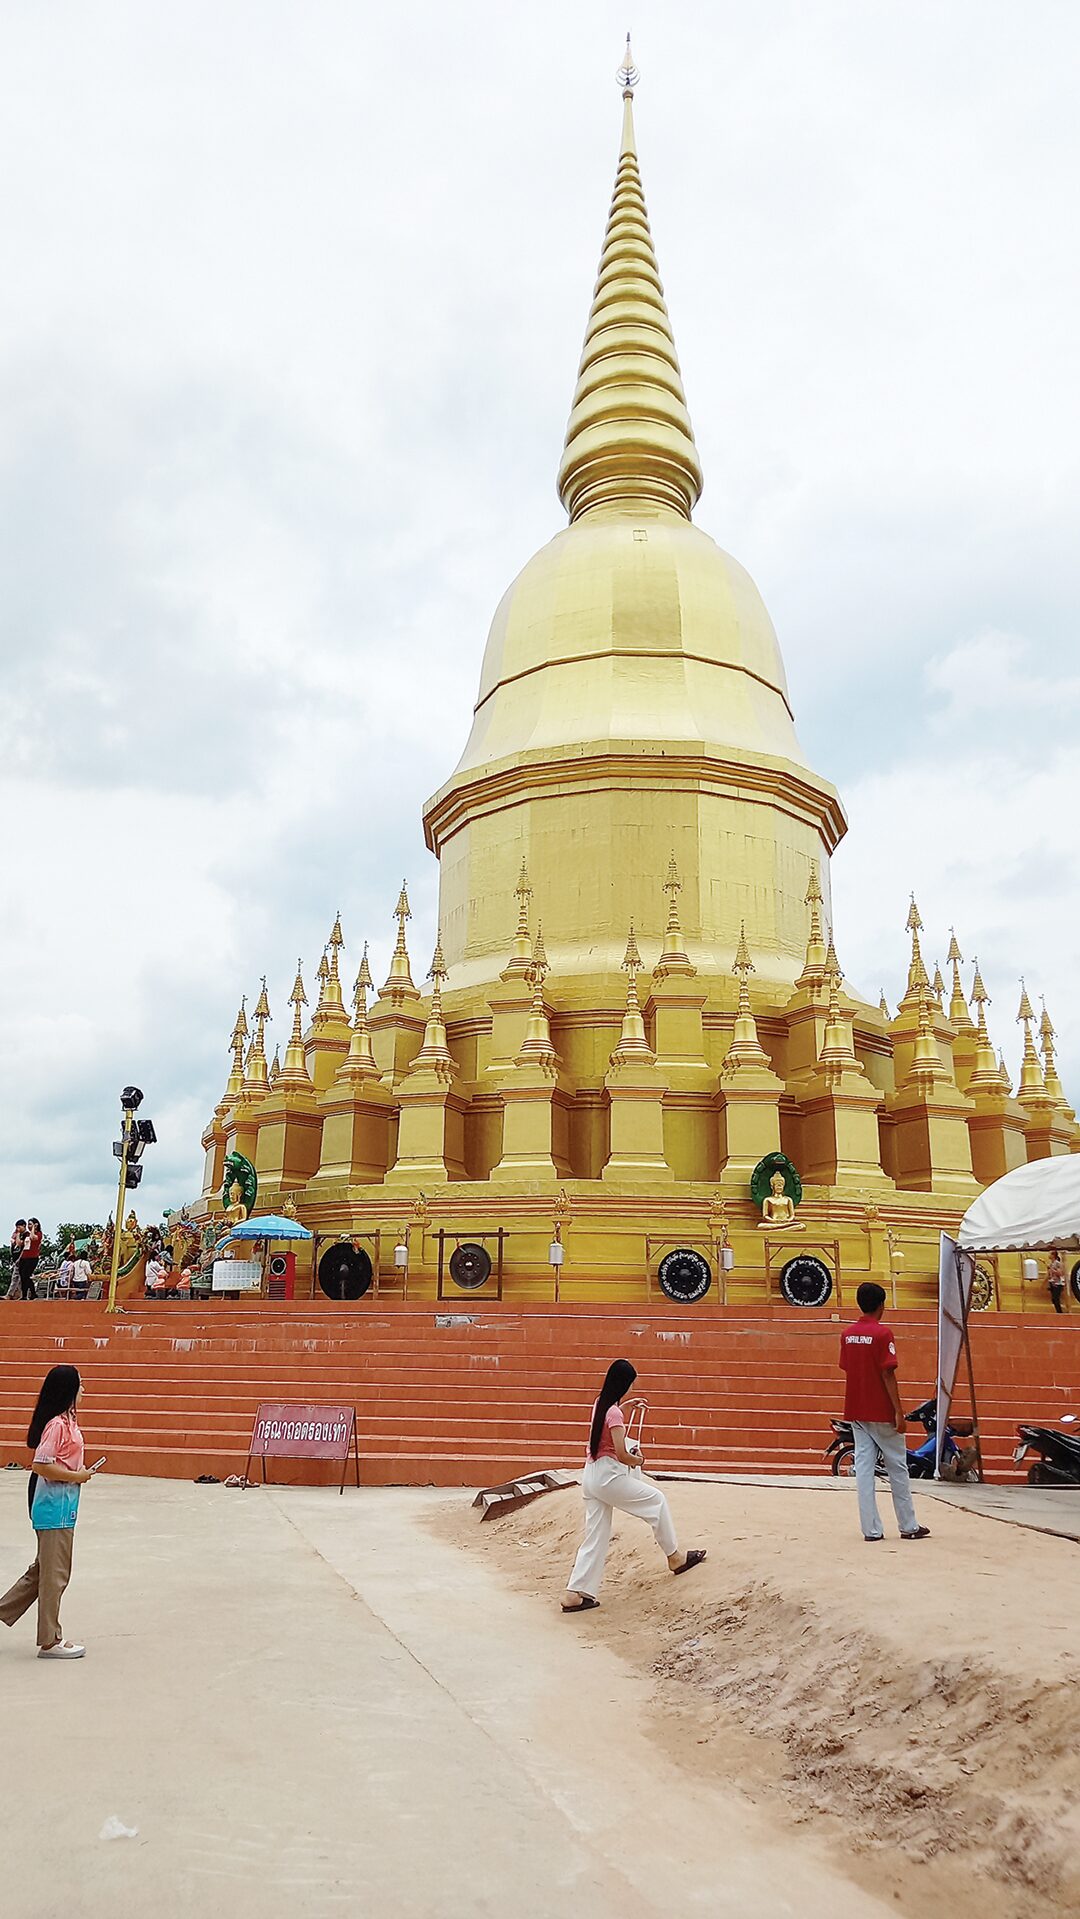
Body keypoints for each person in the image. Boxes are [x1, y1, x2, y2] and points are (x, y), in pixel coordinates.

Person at [562, 1359, 706, 1612]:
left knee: (595, 1535)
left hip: (591, 1475)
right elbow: (621, 1452)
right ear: (624, 1384)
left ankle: (574, 1594)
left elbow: (610, 1419)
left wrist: (626, 1406)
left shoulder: (601, 1403)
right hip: (609, 1476)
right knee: (656, 1500)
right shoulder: (614, 1413)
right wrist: (638, 1459)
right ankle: (674, 1557)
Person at [0, 1364, 99, 1657]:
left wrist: (77, 1472)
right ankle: (50, 1640)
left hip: (63, 1506)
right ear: (68, 1390)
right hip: (53, 1507)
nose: (84, 1390)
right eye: (80, 1385)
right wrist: (77, 1476)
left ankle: (4, 1610)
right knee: (56, 1574)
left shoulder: (68, 1421)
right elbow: (41, 1464)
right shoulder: (57, 1424)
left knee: (41, 1572)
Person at [840, 1282, 930, 1543]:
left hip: (856, 1410)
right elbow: (887, 1373)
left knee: (864, 1469)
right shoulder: (883, 1334)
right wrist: (899, 1412)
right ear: (881, 1306)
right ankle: (908, 1525)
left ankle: (871, 1530)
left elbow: (847, 1367)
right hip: (881, 1411)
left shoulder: (847, 1334)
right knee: (897, 1469)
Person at [15, 1219, 43, 1299]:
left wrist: (33, 1228)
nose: (29, 1226)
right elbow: (19, 1244)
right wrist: (18, 1233)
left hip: (32, 1257)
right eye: (28, 1224)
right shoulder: (26, 1235)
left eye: (30, 1224)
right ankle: (27, 1294)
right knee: (23, 1276)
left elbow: (33, 1237)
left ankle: (30, 1293)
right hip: (24, 1257)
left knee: (26, 1275)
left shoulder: (38, 1233)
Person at [6, 1220, 27, 1298]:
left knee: (19, 1278)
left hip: (23, 1259)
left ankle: (11, 1294)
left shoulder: (26, 1235)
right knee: (16, 1278)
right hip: (16, 1259)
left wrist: (17, 1235)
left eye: (19, 1227)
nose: (17, 1229)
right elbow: (14, 1247)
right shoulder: (17, 1235)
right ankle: (14, 1294)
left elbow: (21, 1244)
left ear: (24, 1226)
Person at [1047, 1249, 1066, 1315]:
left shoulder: (1057, 1263)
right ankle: (1058, 1312)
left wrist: (1052, 1269)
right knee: (1053, 1299)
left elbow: (1060, 1273)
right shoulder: (1051, 1264)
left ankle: (1060, 1313)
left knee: (1056, 1298)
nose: (1048, 1255)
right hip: (1052, 1283)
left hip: (1058, 1283)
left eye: (1050, 1254)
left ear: (1053, 1255)